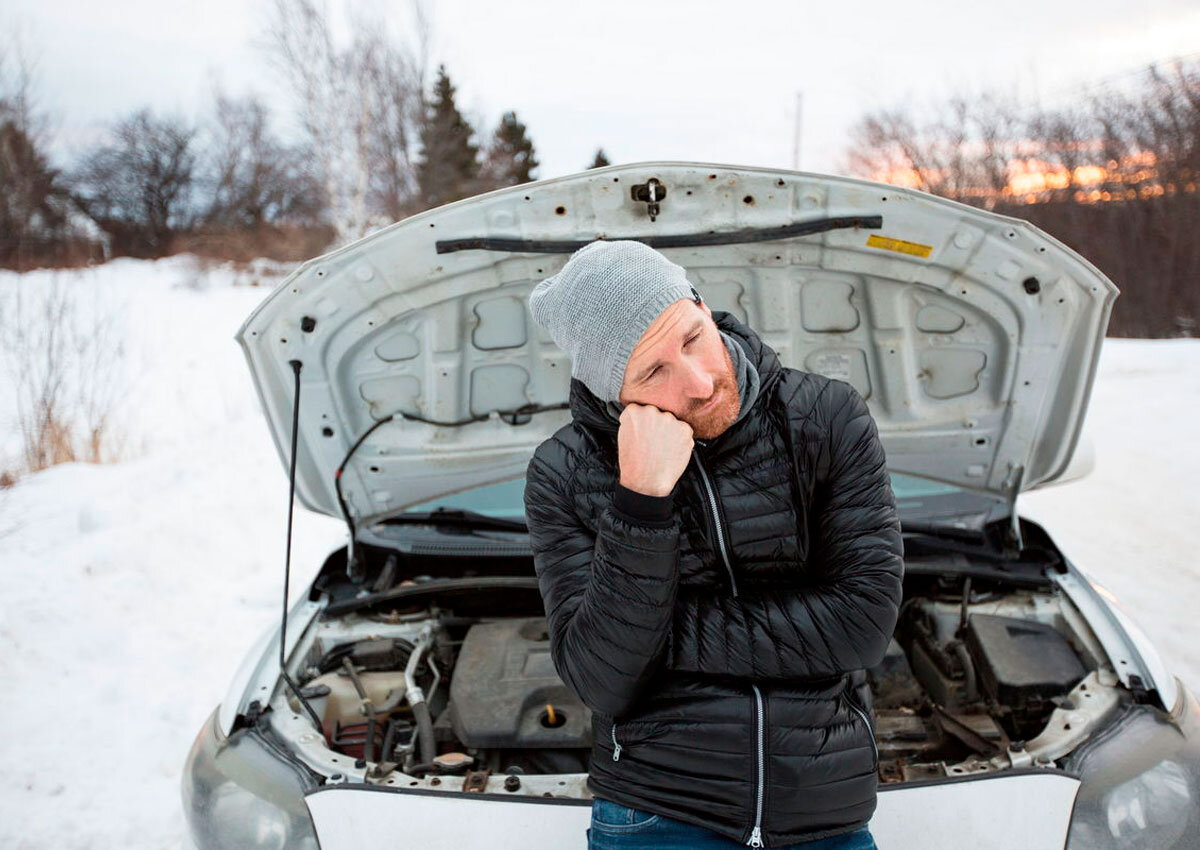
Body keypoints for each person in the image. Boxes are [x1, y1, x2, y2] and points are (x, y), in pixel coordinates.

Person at [523, 239, 903, 849]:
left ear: (702, 305)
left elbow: (862, 625)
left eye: (694, 338)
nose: (700, 383)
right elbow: (601, 681)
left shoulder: (827, 418)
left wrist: (656, 638)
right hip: (656, 810)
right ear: (612, 393)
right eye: (653, 373)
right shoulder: (563, 473)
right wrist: (640, 503)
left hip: (821, 804)